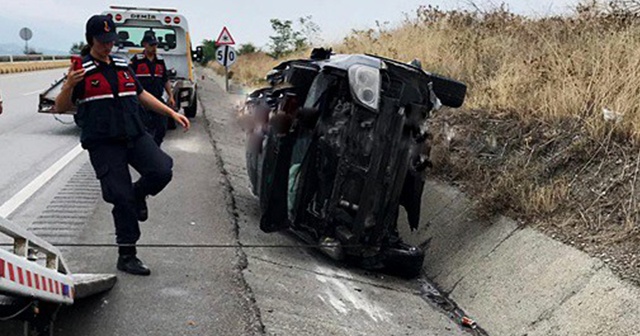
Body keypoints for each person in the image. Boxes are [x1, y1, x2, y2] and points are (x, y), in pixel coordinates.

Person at [55, 14, 190, 276]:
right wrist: (68, 86)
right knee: (121, 197)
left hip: (135, 135)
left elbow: (141, 95)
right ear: (90, 39)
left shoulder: (121, 64)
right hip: (104, 143)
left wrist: (170, 112)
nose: (108, 45)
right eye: (102, 41)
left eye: (111, 40)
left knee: (162, 170)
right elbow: (61, 107)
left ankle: (139, 194)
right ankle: (127, 254)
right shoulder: (81, 71)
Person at [129, 32, 176, 146]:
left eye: (155, 45)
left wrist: (170, 96)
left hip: (157, 99)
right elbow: (129, 79)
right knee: (142, 129)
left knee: (161, 127)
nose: (154, 47)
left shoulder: (160, 61)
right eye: (151, 45)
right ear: (144, 45)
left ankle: (156, 147)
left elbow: (165, 79)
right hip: (141, 101)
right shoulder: (137, 60)